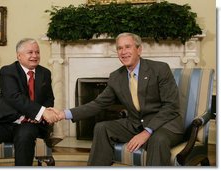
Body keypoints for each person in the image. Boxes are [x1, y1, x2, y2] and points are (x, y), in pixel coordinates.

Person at [51, 33, 184, 166]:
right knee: (102, 128)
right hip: (135, 124)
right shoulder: (116, 77)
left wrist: (147, 132)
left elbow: (171, 106)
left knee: (158, 140)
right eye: (120, 48)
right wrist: (63, 114)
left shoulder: (160, 69)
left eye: (127, 47)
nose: (123, 52)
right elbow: (97, 104)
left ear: (139, 49)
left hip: (165, 125)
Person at [0, 38, 58, 166]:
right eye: (30, 52)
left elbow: (49, 98)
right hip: (5, 121)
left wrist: (38, 116)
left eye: (37, 52)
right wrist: (41, 112)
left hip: (30, 123)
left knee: (24, 137)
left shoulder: (45, 73)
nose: (35, 56)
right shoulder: (8, 71)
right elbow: (14, 97)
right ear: (19, 55)